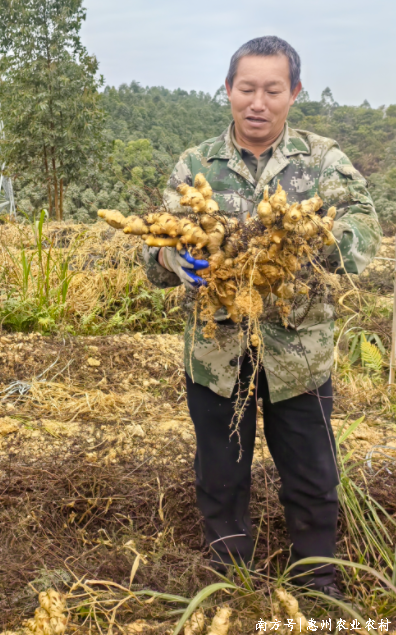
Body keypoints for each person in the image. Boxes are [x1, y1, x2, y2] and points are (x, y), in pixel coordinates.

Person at [144, 36, 381, 596]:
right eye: (246, 88)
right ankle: (230, 580)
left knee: (312, 474)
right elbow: (154, 247)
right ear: (227, 89)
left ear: (293, 93)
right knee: (220, 473)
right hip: (216, 352)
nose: (258, 103)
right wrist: (171, 258)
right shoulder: (196, 164)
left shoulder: (322, 161)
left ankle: (317, 582)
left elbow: (365, 232)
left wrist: (309, 238)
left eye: (272, 90)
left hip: (299, 354)